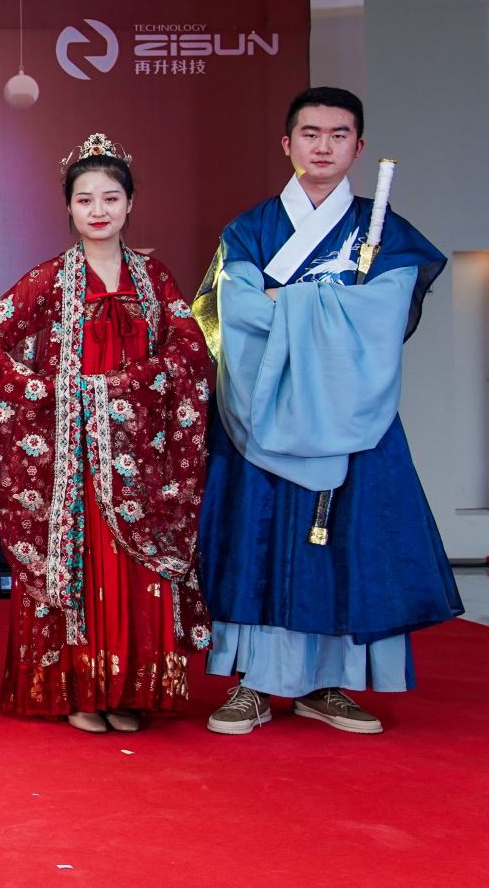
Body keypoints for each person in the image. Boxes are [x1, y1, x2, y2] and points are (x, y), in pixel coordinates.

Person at [196, 88, 459, 736]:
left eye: (339, 135)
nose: (323, 146)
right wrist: (332, 305)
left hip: (349, 414)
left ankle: (329, 683)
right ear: (287, 144)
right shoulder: (250, 229)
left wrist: (291, 301)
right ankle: (253, 683)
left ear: (358, 147)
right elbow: (238, 312)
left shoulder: (385, 232)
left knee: (344, 543)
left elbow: (384, 314)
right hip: (263, 410)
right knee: (258, 538)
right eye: (310, 134)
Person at [0, 134, 211, 734]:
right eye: (85, 200)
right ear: (69, 208)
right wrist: (43, 391)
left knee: (136, 569)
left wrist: (132, 384)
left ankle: (128, 692)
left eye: (110, 198)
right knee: (81, 563)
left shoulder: (154, 278)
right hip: (72, 457)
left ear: (130, 204)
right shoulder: (52, 278)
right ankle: (76, 691)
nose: (98, 210)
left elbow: (190, 348)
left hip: (140, 453)